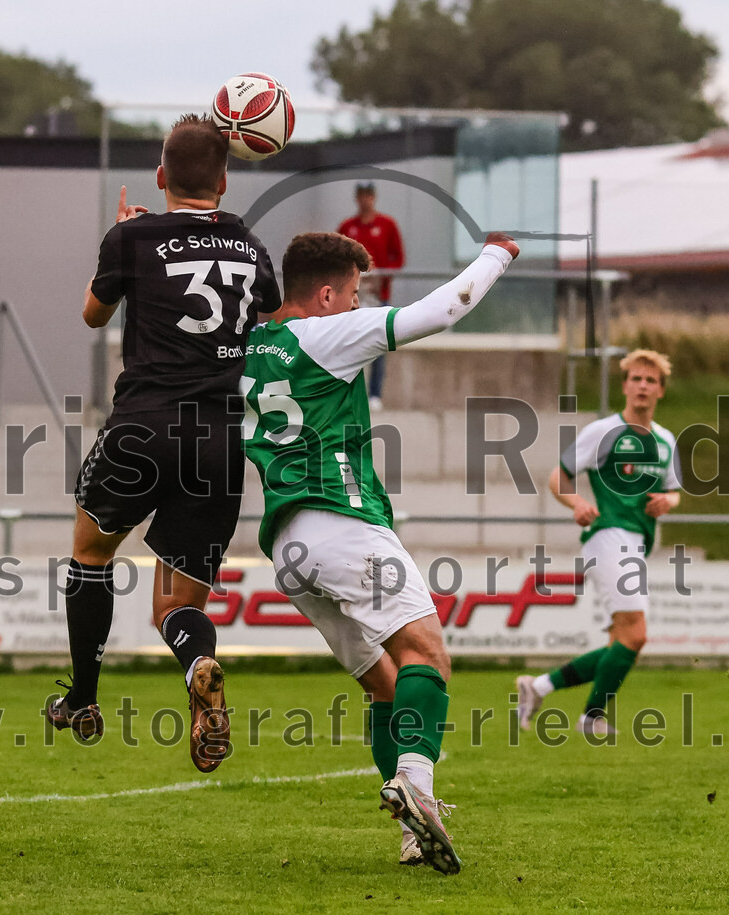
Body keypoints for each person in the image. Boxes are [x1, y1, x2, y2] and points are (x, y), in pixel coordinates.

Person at [241, 230, 520, 873]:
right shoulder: (324, 334)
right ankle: (417, 787)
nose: (357, 305)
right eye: (354, 293)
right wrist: (495, 255)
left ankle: (412, 833)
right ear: (326, 294)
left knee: (384, 686)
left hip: (287, 544)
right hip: (340, 521)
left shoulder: (247, 346)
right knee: (426, 654)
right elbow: (441, 310)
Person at [45, 114, 281, 774]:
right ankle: (198, 662)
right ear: (224, 181)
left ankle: (83, 699)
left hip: (143, 427)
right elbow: (267, 311)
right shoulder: (249, 242)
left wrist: (128, 237)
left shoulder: (131, 237)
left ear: (159, 176)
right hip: (218, 441)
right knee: (175, 605)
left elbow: (93, 314)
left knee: (91, 552)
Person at [518, 349, 681, 738]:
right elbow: (558, 476)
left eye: (651, 380)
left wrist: (668, 501)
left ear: (661, 390)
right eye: (636, 378)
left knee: (621, 640)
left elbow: (674, 491)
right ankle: (591, 718)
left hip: (636, 542)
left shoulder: (665, 440)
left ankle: (538, 687)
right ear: (625, 386)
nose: (642, 386)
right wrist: (577, 503)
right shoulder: (603, 432)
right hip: (608, 536)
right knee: (635, 634)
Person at [336, 182, 405, 410]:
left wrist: (380, 276)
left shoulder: (387, 225)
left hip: (378, 295)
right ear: (356, 198)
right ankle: (348, 393)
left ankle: (375, 394)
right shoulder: (347, 226)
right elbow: (336, 256)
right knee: (348, 344)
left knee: (378, 345)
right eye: (362, 196)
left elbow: (398, 258)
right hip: (352, 297)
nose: (365, 200)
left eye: (369, 196)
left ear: (374, 198)